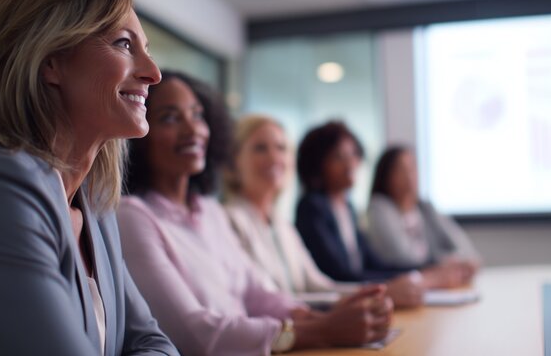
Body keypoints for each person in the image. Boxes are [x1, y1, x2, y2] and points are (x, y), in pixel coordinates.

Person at [118, 71, 394, 356]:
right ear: (137, 134)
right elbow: (196, 335)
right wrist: (323, 330)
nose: (193, 130)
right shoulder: (132, 217)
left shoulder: (210, 211)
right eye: (170, 118)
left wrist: (319, 320)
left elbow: (257, 293)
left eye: (198, 115)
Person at [0, 0, 178, 355]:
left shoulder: (95, 202)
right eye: (124, 44)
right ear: (50, 61)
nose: (153, 72)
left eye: (146, 48)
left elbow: (150, 341)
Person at [295, 121, 468, 290]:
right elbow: (341, 275)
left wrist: (425, 272)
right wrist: (420, 277)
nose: (350, 164)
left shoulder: (347, 207)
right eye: (338, 157)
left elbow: (373, 264)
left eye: (353, 154)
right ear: (317, 165)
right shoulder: (312, 208)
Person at [222, 115, 358, 304]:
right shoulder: (228, 220)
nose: (274, 158)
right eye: (260, 148)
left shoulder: (281, 223)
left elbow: (320, 285)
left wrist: (375, 293)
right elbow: (269, 301)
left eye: (281, 148)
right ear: (234, 160)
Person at [366, 145, 480, 273]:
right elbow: (403, 258)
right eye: (400, 170)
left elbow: (465, 248)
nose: (408, 176)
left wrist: (460, 261)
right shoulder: (380, 208)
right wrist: (442, 263)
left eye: (412, 169)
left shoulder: (425, 208)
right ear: (386, 176)